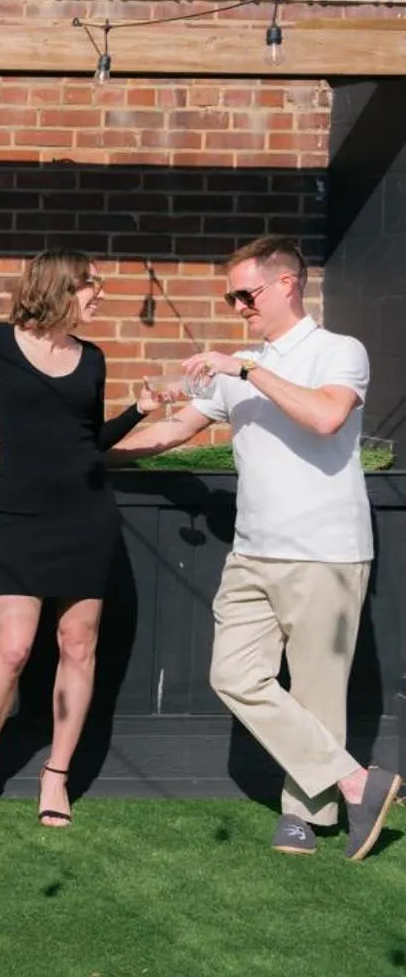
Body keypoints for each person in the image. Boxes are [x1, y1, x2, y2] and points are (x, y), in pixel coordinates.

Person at [111, 235, 396, 859]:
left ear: (287, 284)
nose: (238, 306)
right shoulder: (238, 363)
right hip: (251, 551)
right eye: (231, 296)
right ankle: (355, 780)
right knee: (233, 674)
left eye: (247, 293)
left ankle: (305, 817)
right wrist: (91, 451)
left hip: (327, 549)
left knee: (319, 690)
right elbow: (175, 430)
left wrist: (247, 370)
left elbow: (325, 417)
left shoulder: (336, 351)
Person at [0, 251, 157, 827]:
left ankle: (57, 776)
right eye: (92, 285)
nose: (99, 296)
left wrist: (138, 411)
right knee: (16, 648)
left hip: (87, 515)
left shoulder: (92, 359)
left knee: (78, 644)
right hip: (23, 515)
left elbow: (86, 439)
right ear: (60, 286)